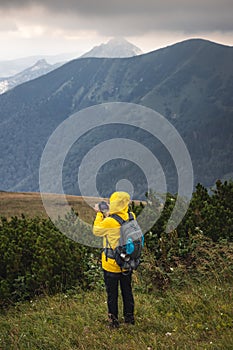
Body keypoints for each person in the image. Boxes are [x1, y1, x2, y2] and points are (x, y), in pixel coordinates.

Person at [93, 191, 135, 328]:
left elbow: (96, 230)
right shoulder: (131, 216)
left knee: (112, 294)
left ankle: (114, 322)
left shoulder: (109, 221)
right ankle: (129, 318)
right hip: (127, 262)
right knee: (127, 290)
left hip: (111, 264)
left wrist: (100, 213)